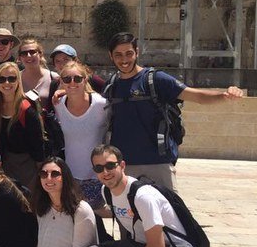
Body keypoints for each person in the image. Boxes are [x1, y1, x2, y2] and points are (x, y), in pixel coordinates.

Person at [102, 32, 244, 190]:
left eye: (129, 53)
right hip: (123, 166)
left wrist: (224, 95)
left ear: (137, 52)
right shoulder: (111, 85)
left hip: (158, 163)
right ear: (110, 56)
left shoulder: (156, 80)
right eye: (118, 55)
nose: (124, 60)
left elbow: (196, 96)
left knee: (168, 206)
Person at [54, 60, 113, 240]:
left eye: (77, 78)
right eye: (67, 79)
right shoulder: (59, 104)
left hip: (98, 175)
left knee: (100, 214)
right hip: (71, 176)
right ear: (61, 81)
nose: (72, 83)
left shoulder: (102, 105)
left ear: (85, 79)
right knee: (80, 226)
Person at [0, 62, 45, 188]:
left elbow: (37, 144)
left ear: (18, 81)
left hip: (25, 169)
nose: (7, 83)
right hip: (2, 166)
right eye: (2, 79)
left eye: (11, 79)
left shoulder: (26, 109)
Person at [19, 37, 60, 103]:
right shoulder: (15, 78)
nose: (28, 56)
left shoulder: (54, 77)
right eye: (24, 53)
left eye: (32, 52)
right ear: (20, 58)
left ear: (40, 54)